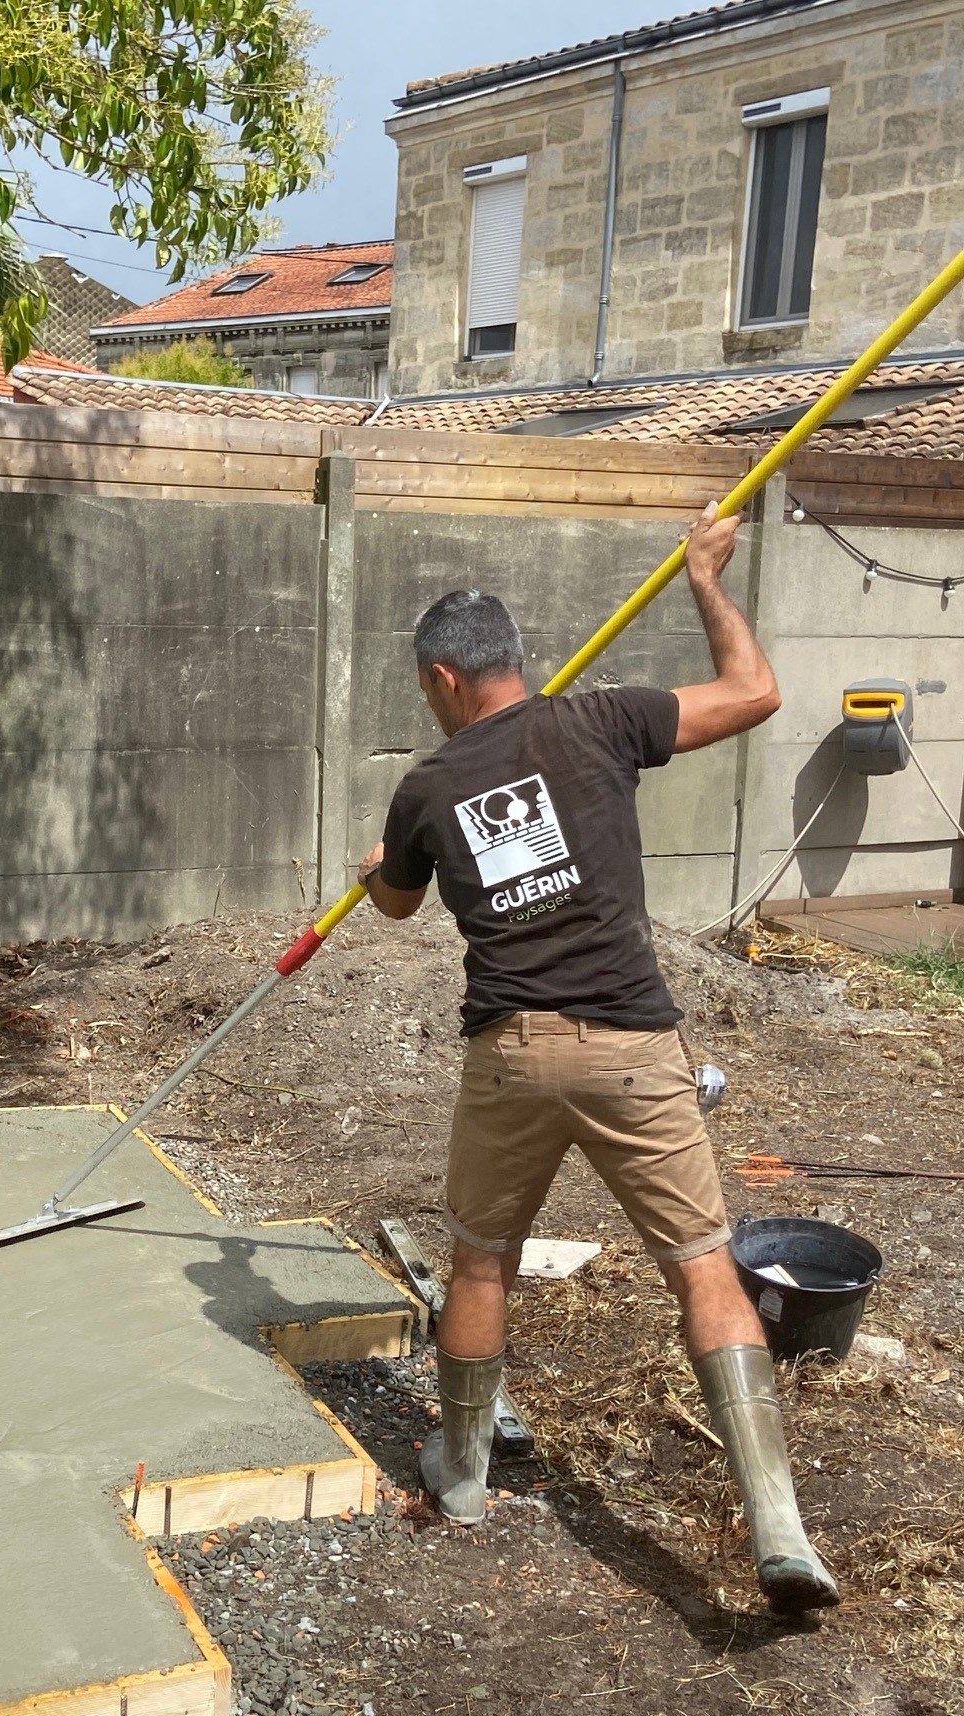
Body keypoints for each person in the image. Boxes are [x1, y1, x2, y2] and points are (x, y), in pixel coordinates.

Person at [359, 501, 838, 1617]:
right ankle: (778, 1527)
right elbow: (756, 691)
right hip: (635, 1049)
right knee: (704, 1268)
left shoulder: (429, 787)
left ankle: (462, 1480)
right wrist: (705, 577)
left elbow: (394, 906)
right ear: (514, 661)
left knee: (481, 1263)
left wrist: (381, 861)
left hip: (514, 1057)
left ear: (443, 678)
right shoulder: (605, 719)